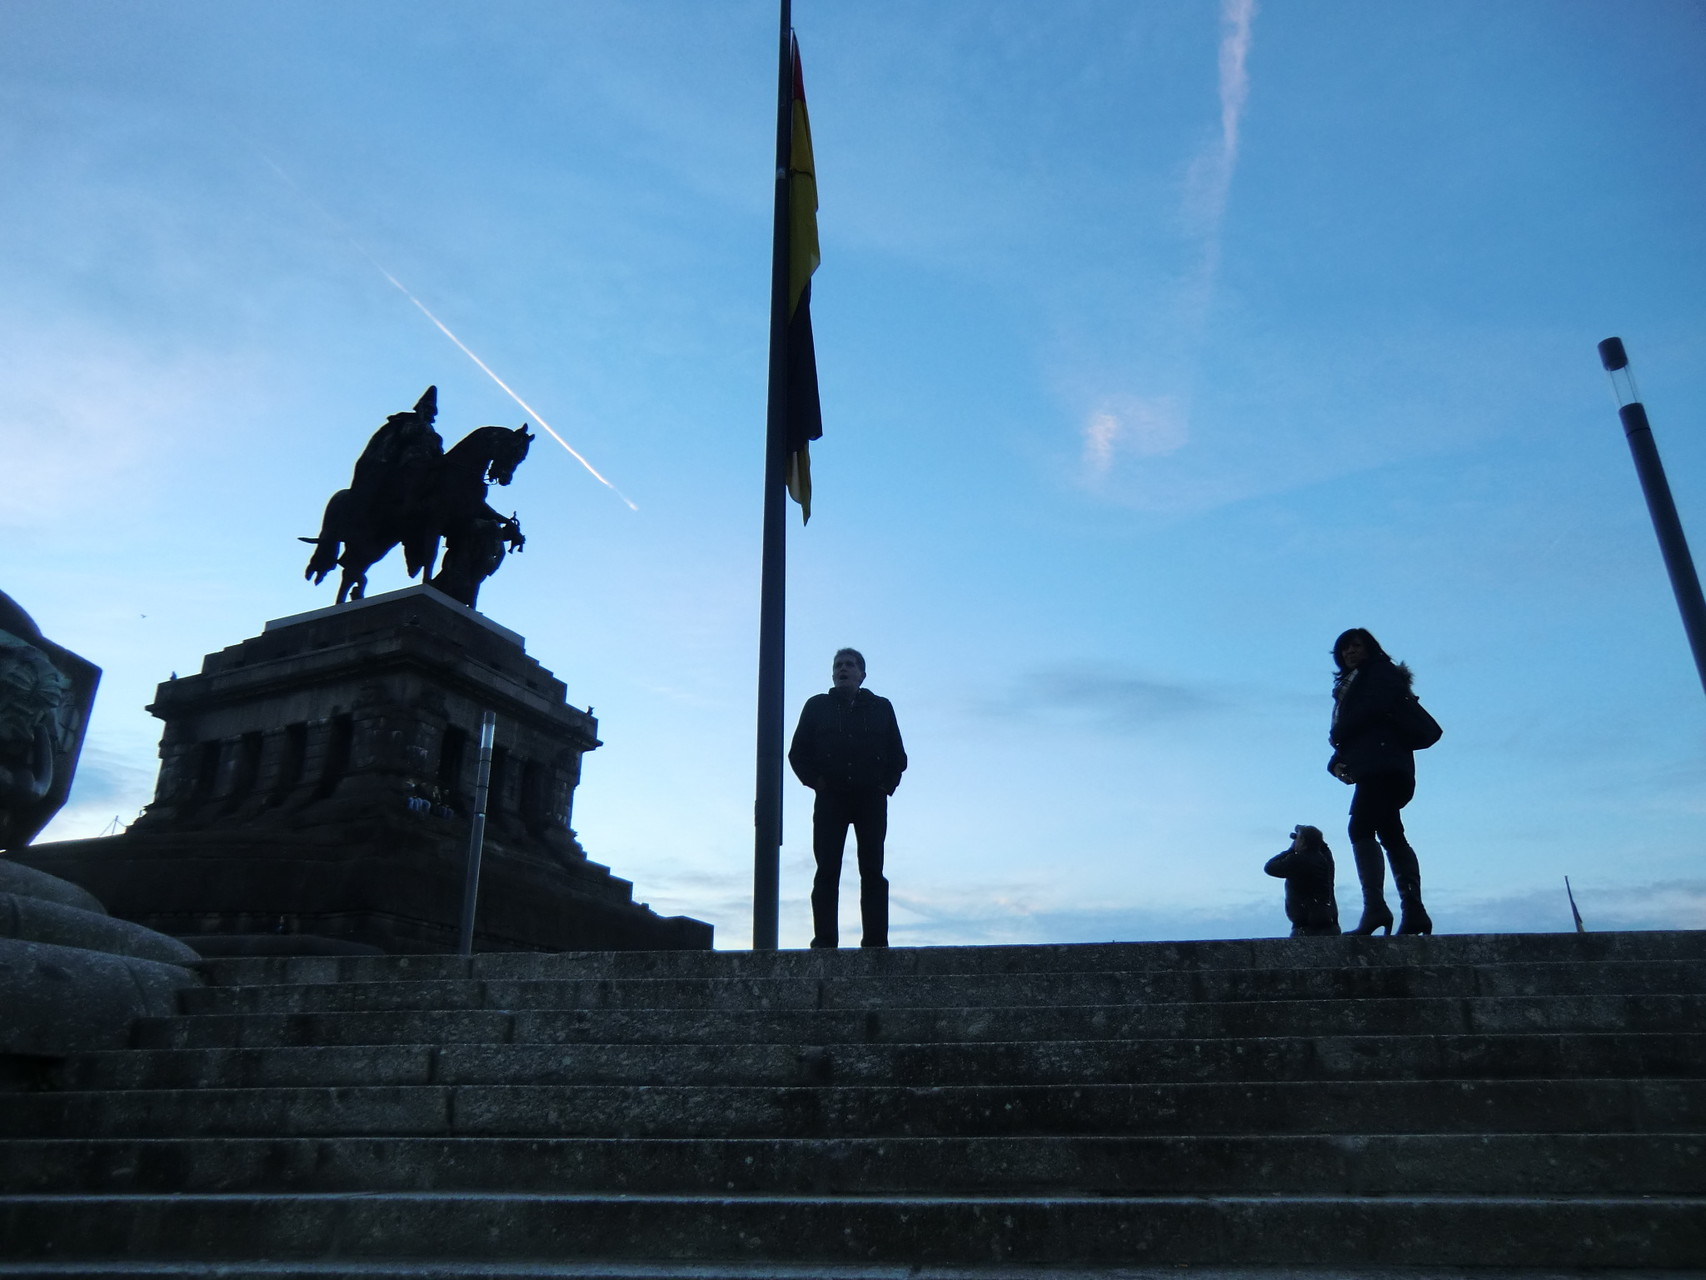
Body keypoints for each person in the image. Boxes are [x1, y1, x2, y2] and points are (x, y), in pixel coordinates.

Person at [788, 648, 907, 948]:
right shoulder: (816, 706)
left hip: (871, 799)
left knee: (872, 870)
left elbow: (898, 755)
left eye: (850, 665)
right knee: (827, 869)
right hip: (831, 800)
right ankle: (825, 941)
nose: (843, 669)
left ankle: (876, 942)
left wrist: (886, 786)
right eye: (838, 665)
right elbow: (797, 753)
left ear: (862, 674)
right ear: (832, 673)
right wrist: (817, 782)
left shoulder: (881, 707)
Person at [1327, 628, 1433, 936]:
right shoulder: (1353, 685)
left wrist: (1339, 734)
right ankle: (1414, 913)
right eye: (1344, 649)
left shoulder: (1379, 673)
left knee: (1360, 828)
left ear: (1370, 649)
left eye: (1356, 646)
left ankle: (1376, 909)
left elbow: (1370, 713)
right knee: (1390, 832)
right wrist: (1337, 760)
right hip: (1379, 766)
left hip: (1383, 766)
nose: (1350, 652)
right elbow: (1359, 729)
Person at [1264, 824, 1341, 937]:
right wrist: (1312, 837)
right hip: (1329, 924)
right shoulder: (1324, 860)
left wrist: (1290, 850)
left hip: (1306, 928)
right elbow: (1325, 849)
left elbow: (1269, 867)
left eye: (1298, 839)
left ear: (1303, 841)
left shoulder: (1297, 860)